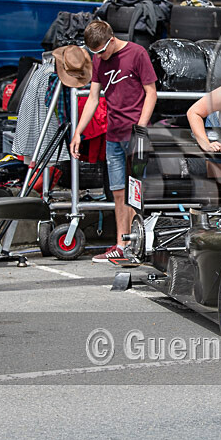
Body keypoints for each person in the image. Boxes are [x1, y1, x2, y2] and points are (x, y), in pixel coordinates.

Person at [70, 20, 157, 264]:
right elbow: (93, 98)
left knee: (135, 192)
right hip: (113, 135)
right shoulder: (99, 59)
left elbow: (151, 93)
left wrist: (141, 127)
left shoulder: (137, 53)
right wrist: (78, 132)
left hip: (134, 134)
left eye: (101, 51)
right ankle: (121, 244)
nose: (99, 56)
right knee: (118, 191)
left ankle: (136, 244)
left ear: (111, 40)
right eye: (94, 53)